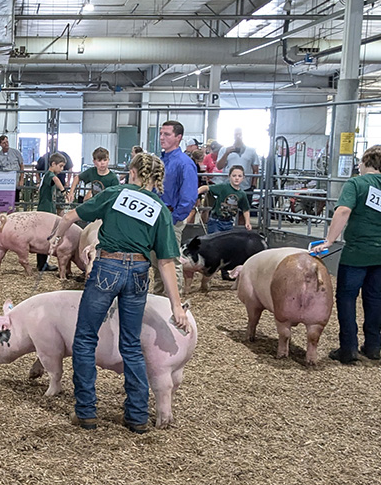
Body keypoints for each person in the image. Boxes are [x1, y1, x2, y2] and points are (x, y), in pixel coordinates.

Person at [49, 152, 191, 433]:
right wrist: (176, 305)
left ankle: (86, 411)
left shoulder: (115, 193)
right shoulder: (160, 210)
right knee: (130, 344)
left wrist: (55, 236)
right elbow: (165, 262)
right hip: (138, 273)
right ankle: (137, 416)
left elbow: (71, 216)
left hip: (106, 268)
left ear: (134, 173)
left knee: (86, 338)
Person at [312, 145, 381, 365]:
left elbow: (343, 210)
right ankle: (373, 346)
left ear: (366, 162)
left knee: (347, 297)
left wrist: (329, 241)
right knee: (374, 296)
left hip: (358, 252)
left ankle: (349, 348)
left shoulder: (356, 183)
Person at [152, 120, 198, 296]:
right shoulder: (161, 160)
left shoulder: (184, 163)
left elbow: (189, 196)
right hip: (156, 216)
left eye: (167, 134)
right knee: (157, 261)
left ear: (178, 138)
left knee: (170, 261)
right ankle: (159, 298)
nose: (161, 137)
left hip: (170, 217)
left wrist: (174, 218)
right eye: (161, 134)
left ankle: (173, 300)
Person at [35, 153, 68, 272]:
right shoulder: (50, 175)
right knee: (45, 238)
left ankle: (42, 263)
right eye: (61, 166)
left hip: (46, 208)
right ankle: (42, 264)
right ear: (53, 164)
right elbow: (55, 179)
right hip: (46, 210)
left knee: (45, 238)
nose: (62, 169)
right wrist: (64, 191)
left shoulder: (45, 175)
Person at [197, 164, 251, 233]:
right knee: (215, 241)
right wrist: (197, 192)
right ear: (229, 177)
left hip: (229, 222)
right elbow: (206, 187)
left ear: (243, 178)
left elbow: (245, 209)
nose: (237, 178)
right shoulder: (223, 187)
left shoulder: (242, 194)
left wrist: (247, 222)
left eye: (239, 176)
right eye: (234, 176)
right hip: (216, 221)